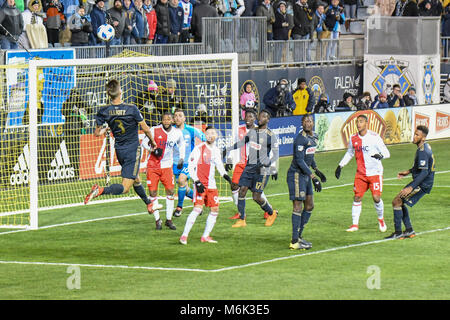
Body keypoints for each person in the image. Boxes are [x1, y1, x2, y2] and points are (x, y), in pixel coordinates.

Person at [84, 79, 157, 216]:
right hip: (132, 151)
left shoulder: (104, 111)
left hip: (119, 151)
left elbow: (96, 133)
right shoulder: (132, 109)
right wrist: (152, 142)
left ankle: (148, 203)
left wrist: (105, 130)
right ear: (121, 91)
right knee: (125, 188)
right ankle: (100, 190)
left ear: (108, 94)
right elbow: (146, 128)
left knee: (135, 178)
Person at [223, 110, 279, 228]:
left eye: (263, 116)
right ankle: (242, 219)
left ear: (268, 120)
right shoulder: (253, 132)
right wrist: (228, 149)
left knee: (256, 196)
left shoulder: (270, 135)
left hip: (262, 170)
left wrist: (273, 166)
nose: (260, 118)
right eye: (260, 116)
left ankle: (271, 212)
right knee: (242, 190)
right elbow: (242, 143)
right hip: (249, 167)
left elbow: (276, 153)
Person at [335, 114, 390, 232]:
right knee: (357, 197)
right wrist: (340, 165)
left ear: (366, 123)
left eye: (361, 121)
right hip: (361, 174)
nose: (358, 124)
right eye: (357, 122)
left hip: (375, 173)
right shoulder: (353, 138)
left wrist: (380, 155)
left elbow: (387, 153)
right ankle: (355, 225)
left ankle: (381, 220)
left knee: (376, 197)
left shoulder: (374, 137)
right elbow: (350, 152)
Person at [179, 126, 232, 245]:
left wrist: (228, 178)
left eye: (213, 133)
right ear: (205, 135)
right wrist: (197, 182)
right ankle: (184, 236)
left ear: (216, 136)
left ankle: (205, 236)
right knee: (197, 209)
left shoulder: (216, 150)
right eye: (208, 133)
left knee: (215, 209)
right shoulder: (199, 148)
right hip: (201, 184)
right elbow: (191, 167)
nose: (210, 135)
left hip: (212, 185)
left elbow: (219, 167)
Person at [385, 125, 435, 239]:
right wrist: (408, 171)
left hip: (422, 184)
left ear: (423, 138)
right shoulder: (426, 146)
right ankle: (409, 230)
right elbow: (421, 167)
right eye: (414, 134)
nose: (414, 136)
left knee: (396, 201)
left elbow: (424, 172)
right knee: (400, 202)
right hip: (423, 183)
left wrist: (411, 187)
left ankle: (398, 233)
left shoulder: (423, 151)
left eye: (417, 135)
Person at [141, 112, 185, 230]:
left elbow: (181, 145)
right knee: (153, 193)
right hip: (152, 166)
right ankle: (157, 220)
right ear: (162, 120)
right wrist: (153, 150)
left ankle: (169, 220)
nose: (166, 121)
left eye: (168, 119)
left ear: (172, 121)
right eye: (164, 119)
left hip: (166, 166)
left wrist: (181, 158)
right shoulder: (154, 130)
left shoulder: (177, 133)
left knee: (170, 191)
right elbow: (144, 143)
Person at [288, 115, 326, 250]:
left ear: (313, 123)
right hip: (297, 175)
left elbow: (309, 155)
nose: (307, 123)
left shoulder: (314, 137)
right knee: (298, 206)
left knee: (309, 205)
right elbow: (299, 160)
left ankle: (298, 236)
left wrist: (316, 169)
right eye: (304, 121)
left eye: (309, 121)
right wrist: (313, 177)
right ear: (302, 123)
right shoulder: (300, 139)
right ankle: (294, 241)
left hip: (305, 175)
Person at [172, 108, 206, 217]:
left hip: (188, 162)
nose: (177, 118)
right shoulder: (171, 131)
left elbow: (204, 138)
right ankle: (200, 201)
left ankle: (179, 207)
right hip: (175, 163)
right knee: (184, 188)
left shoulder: (191, 130)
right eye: (176, 115)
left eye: (180, 115)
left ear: (184, 118)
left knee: (182, 180)